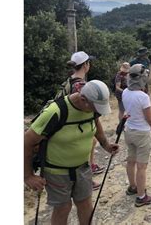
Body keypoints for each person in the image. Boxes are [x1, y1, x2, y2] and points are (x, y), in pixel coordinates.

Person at [24, 80, 119, 225]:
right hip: (57, 172)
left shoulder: (92, 110)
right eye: (96, 107)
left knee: (85, 203)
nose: (98, 112)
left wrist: (105, 144)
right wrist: (28, 176)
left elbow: (95, 123)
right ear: (82, 99)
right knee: (63, 207)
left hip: (82, 168)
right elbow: (26, 142)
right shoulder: (56, 111)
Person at [61, 51, 105, 190]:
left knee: (91, 142)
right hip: (77, 126)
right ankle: (87, 180)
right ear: (85, 65)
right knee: (85, 147)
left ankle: (89, 171)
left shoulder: (68, 81)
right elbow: (91, 111)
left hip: (67, 124)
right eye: (88, 63)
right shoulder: (81, 86)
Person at [122, 64, 151, 207]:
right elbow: (149, 118)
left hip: (128, 130)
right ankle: (141, 196)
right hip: (142, 132)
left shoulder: (125, 92)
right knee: (142, 166)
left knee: (131, 161)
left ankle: (133, 187)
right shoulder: (143, 97)